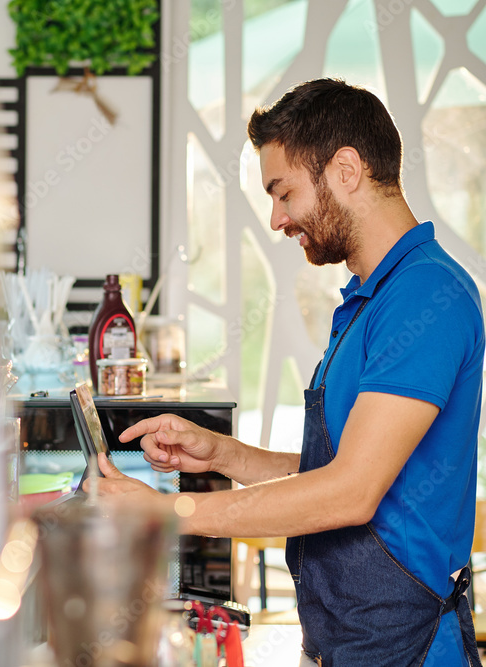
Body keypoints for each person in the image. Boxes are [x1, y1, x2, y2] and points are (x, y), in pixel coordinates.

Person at [87, 78, 485, 666]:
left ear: (346, 170)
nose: (276, 219)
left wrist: (168, 513)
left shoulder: (425, 296)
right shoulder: (370, 300)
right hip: (343, 640)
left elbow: (351, 492)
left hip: (407, 647)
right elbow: (339, 468)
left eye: (284, 193)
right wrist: (221, 454)